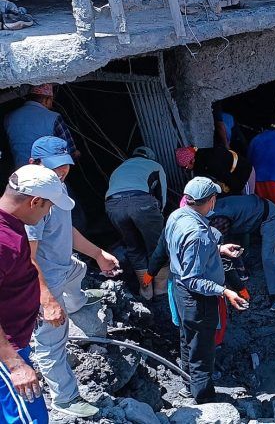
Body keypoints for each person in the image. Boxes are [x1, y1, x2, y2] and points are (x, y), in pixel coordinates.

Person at [23, 137, 119, 417]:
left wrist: (98, 253)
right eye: (54, 168)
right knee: (51, 343)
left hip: (64, 266)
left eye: (65, 167)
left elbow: (67, 229)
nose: (61, 173)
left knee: (80, 269)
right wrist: (46, 299)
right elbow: (28, 259)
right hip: (45, 280)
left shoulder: (57, 188)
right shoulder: (33, 201)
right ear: (34, 164)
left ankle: (76, 303)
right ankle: (64, 398)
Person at [1, 164, 76, 424]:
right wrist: (15, 365)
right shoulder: (3, 241)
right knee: (30, 419)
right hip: (6, 352)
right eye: (49, 206)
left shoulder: (11, 225)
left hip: (13, 342)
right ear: (35, 202)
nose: (49, 213)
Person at [164, 177, 249, 403]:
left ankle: (188, 386)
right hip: (198, 299)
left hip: (180, 290)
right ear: (211, 200)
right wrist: (225, 291)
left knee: (187, 339)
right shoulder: (198, 234)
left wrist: (218, 248)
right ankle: (205, 400)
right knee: (202, 350)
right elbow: (193, 279)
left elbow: (183, 251)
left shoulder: (176, 216)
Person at [212, 195, 275, 311]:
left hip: (268, 214)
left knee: (268, 255)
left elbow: (222, 252)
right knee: (230, 243)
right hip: (249, 213)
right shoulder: (209, 208)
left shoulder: (219, 219)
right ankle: (241, 271)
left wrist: (239, 287)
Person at [105, 146, 168, 300]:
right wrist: (158, 215)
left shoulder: (119, 168)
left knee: (134, 247)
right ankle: (160, 290)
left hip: (113, 206)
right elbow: (162, 196)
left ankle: (146, 290)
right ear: (150, 157)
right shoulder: (155, 166)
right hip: (141, 202)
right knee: (158, 247)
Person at [4, 84, 80, 168]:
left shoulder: (9, 117)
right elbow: (70, 150)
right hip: (47, 171)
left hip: (20, 170)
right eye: (51, 100)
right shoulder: (54, 117)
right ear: (47, 100)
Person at [175, 145, 253, 197]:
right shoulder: (200, 158)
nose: (186, 170)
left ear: (192, 160)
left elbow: (236, 185)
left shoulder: (211, 163)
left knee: (248, 200)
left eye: (185, 167)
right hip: (233, 174)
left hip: (244, 173)